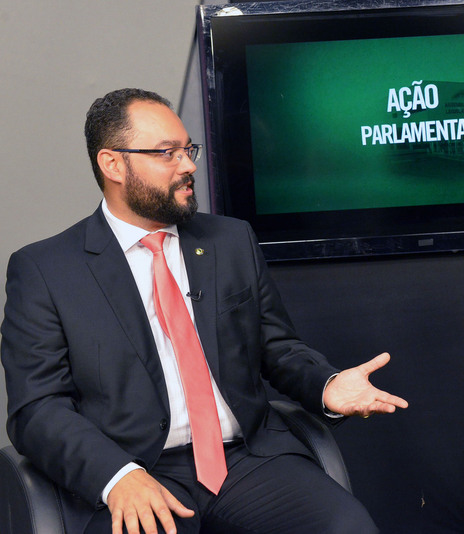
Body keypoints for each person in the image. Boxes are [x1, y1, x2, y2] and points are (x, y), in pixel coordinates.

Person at [1, 88, 409, 534]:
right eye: (167, 153)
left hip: (247, 460)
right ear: (113, 164)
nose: (189, 165)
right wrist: (117, 477)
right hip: (137, 471)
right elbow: (37, 408)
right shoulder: (46, 269)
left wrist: (326, 385)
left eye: (188, 149)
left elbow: (277, 348)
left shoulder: (230, 241)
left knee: (347, 527)